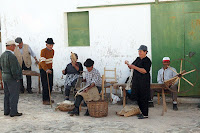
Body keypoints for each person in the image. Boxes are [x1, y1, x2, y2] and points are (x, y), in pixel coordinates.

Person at [125, 45, 152, 119]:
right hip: (137, 81)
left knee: (144, 97)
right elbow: (132, 66)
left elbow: (144, 71)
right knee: (138, 97)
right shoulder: (137, 59)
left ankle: (145, 114)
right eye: (139, 51)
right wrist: (128, 64)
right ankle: (142, 112)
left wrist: (134, 67)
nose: (139, 53)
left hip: (144, 81)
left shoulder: (147, 61)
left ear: (145, 52)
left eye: (141, 51)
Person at [0, 40, 23, 117]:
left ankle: (6, 111)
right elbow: (14, 69)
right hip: (12, 78)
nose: (15, 47)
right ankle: (13, 111)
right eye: (14, 46)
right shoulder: (12, 56)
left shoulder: (2, 55)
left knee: (7, 94)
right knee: (14, 95)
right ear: (11, 46)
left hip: (5, 77)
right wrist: (17, 77)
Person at [39, 38, 55, 105]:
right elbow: (42, 62)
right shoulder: (43, 51)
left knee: (50, 84)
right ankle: (44, 100)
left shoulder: (53, 51)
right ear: (46, 45)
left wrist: (50, 69)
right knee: (45, 85)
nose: (51, 46)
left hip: (50, 69)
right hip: (43, 69)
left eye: (52, 45)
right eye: (50, 45)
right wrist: (46, 69)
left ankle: (48, 98)